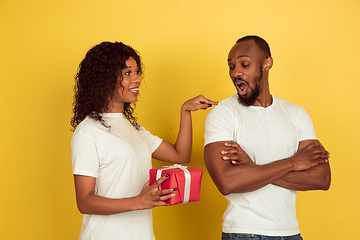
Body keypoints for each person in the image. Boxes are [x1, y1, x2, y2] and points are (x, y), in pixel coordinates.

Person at [70, 41, 217, 240]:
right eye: (128, 73)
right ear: (105, 78)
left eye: (137, 72)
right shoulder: (88, 131)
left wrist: (186, 111)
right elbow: (85, 202)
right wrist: (138, 201)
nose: (137, 79)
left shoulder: (136, 130)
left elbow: (180, 155)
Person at [204, 35, 331, 240]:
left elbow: (322, 178)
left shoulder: (296, 113)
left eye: (245, 64)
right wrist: (293, 163)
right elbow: (226, 181)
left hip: (291, 233)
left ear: (267, 63)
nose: (236, 72)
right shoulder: (223, 113)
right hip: (244, 233)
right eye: (231, 66)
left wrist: (253, 168)